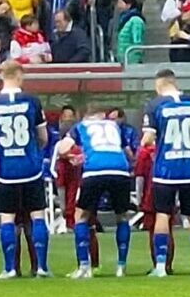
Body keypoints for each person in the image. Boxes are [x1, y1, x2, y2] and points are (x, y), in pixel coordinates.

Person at [0, 60, 49, 280]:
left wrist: (1, 151)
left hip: (7, 170)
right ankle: (41, 267)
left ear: (1, 76)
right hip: (31, 168)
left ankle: (10, 268)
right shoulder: (32, 101)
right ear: (20, 76)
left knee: (7, 218)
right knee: (37, 215)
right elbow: (43, 138)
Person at [141, 67, 190, 277]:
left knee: (163, 214)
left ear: (158, 85)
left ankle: (160, 266)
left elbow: (147, 140)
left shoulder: (155, 105)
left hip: (166, 169)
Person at [57, 105, 133, 280]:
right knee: (122, 217)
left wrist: (72, 157)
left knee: (81, 216)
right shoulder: (114, 126)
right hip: (120, 170)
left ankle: (84, 267)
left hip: (95, 171)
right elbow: (125, 151)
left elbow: (63, 149)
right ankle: (121, 266)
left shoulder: (81, 127)